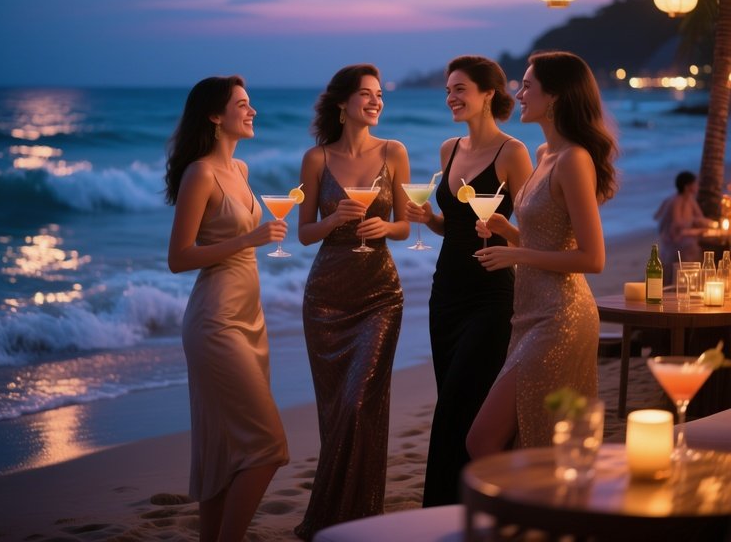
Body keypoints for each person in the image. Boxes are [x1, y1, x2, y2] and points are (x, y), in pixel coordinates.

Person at [467, 51, 617, 456]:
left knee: (483, 439)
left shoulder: (574, 160)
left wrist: (517, 256)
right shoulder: (543, 155)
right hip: (528, 315)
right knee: (528, 441)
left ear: (554, 97)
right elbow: (549, 242)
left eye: (528, 86)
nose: (518, 94)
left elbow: (592, 258)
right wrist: (509, 232)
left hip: (561, 317)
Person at [404, 55, 532, 506]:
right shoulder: (449, 149)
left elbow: (536, 235)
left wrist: (502, 227)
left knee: (462, 403)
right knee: (451, 398)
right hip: (445, 293)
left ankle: (454, 507)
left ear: (488, 94)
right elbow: (453, 227)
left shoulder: (513, 153)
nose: (451, 98)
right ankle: (456, 507)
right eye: (447, 90)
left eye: (460, 89)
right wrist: (429, 218)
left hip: (491, 295)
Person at [165, 76, 289, 542]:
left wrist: (252, 239)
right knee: (268, 446)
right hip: (214, 321)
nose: (251, 110)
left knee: (222, 450)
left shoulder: (241, 169)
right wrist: (249, 239)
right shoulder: (200, 174)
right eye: (242, 104)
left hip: (249, 318)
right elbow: (179, 257)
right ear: (216, 116)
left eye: (250, 103)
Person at [294, 63, 410, 539]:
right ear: (343, 103)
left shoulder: (394, 152)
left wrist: (386, 226)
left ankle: (360, 513)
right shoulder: (316, 159)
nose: (376, 100)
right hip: (326, 296)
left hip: (380, 293)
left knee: (361, 401)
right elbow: (304, 233)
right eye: (366, 93)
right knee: (336, 409)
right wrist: (333, 220)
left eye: (379, 94)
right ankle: (334, 518)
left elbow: (405, 224)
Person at [654, 171, 713, 282]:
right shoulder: (676, 200)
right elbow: (677, 223)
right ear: (687, 187)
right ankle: (687, 280)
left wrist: (709, 223)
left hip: (684, 237)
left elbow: (699, 217)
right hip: (674, 241)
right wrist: (694, 222)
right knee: (691, 247)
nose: (697, 186)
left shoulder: (690, 199)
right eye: (695, 183)